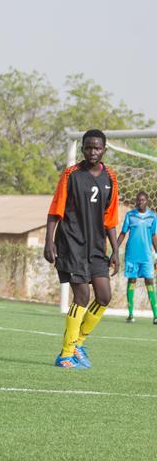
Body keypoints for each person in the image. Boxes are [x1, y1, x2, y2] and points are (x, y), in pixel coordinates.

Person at [45, 128, 119, 369]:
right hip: (71, 244)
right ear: (82, 148)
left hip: (97, 247)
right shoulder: (71, 175)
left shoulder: (111, 177)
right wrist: (49, 241)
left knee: (105, 296)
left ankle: (78, 342)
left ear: (104, 150)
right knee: (82, 296)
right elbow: (55, 210)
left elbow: (110, 218)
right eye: (88, 147)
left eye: (97, 148)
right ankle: (65, 355)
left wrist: (115, 250)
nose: (92, 151)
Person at [116, 190, 157, 323]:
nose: (141, 202)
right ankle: (130, 314)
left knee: (149, 281)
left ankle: (156, 315)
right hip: (132, 255)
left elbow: (154, 236)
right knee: (132, 281)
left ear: (147, 201)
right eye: (139, 200)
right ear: (136, 201)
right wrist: (114, 250)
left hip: (146, 256)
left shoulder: (152, 217)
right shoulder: (130, 215)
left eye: (143, 200)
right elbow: (122, 233)